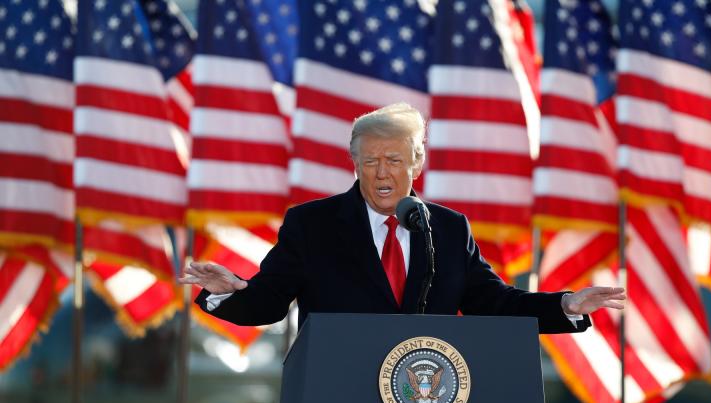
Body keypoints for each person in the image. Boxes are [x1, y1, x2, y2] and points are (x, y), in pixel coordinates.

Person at [180, 103, 625, 333]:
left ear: (416, 164)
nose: (381, 173)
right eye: (369, 161)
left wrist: (566, 305)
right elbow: (269, 303)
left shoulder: (448, 229)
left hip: (427, 401)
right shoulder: (312, 226)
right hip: (338, 399)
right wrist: (230, 291)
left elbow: (494, 303)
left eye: (393, 160)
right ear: (355, 164)